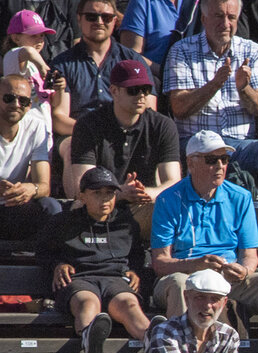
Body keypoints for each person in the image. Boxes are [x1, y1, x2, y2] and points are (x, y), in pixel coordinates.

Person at [150, 130, 258, 320]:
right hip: (186, 276)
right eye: (211, 160)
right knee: (178, 284)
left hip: (227, 278)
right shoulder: (168, 199)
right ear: (191, 163)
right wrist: (195, 265)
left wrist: (244, 270)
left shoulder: (240, 197)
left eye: (224, 159)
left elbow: (250, 256)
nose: (220, 166)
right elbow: (160, 263)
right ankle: (184, 347)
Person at [165, 0, 258, 201]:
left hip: (238, 144)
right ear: (203, 19)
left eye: (231, 17)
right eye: (218, 16)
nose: (225, 23)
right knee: (203, 156)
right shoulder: (182, 51)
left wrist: (244, 88)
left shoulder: (252, 51)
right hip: (195, 142)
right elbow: (179, 107)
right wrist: (215, 84)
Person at [38, 167, 160, 353]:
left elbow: (137, 253)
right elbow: (42, 252)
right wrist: (57, 264)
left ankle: (154, 342)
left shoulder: (126, 223)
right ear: (82, 196)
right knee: (88, 303)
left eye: (110, 193)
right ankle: (89, 335)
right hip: (79, 278)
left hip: (115, 278)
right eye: (97, 193)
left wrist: (135, 271)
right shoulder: (62, 222)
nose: (105, 199)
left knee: (129, 304)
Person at [68, 59, 181, 235]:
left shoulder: (162, 125)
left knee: (172, 207)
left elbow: (173, 182)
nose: (141, 96)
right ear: (114, 91)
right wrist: (120, 193)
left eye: (146, 90)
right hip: (99, 207)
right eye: (133, 90)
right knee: (77, 208)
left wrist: (145, 193)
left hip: (143, 207)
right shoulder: (88, 124)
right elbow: (82, 187)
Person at [50, 0, 153, 181]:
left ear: (115, 21)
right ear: (79, 19)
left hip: (126, 129)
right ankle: (78, 204)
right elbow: (58, 118)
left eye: (106, 17)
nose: (99, 21)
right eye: (91, 16)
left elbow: (149, 110)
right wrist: (93, 131)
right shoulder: (62, 64)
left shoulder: (133, 61)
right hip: (76, 132)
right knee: (71, 148)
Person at [143, 267, 241, 353]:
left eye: (215, 299)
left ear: (224, 303)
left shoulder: (229, 336)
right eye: (200, 297)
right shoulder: (164, 331)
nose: (207, 306)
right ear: (186, 297)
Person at [0, 74, 60, 241]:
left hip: (14, 207)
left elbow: (44, 186)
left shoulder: (36, 125)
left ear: (29, 105)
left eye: (23, 101)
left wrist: (29, 189)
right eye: (9, 98)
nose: (16, 105)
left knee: (51, 206)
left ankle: (53, 262)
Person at [3, 9, 64, 148]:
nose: (40, 40)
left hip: (44, 131)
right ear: (16, 38)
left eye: (42, 35)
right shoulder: (12, 57)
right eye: (33, 35)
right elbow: (28, 52)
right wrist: (43, 66)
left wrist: (59, 88)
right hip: (24, 132)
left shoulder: (38, 65)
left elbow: (54, 103)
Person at [120, 0, 187, 72]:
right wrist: (166, 73)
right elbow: (131, 55)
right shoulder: (142, 2)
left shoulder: (195, 4)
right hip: (154, 79)